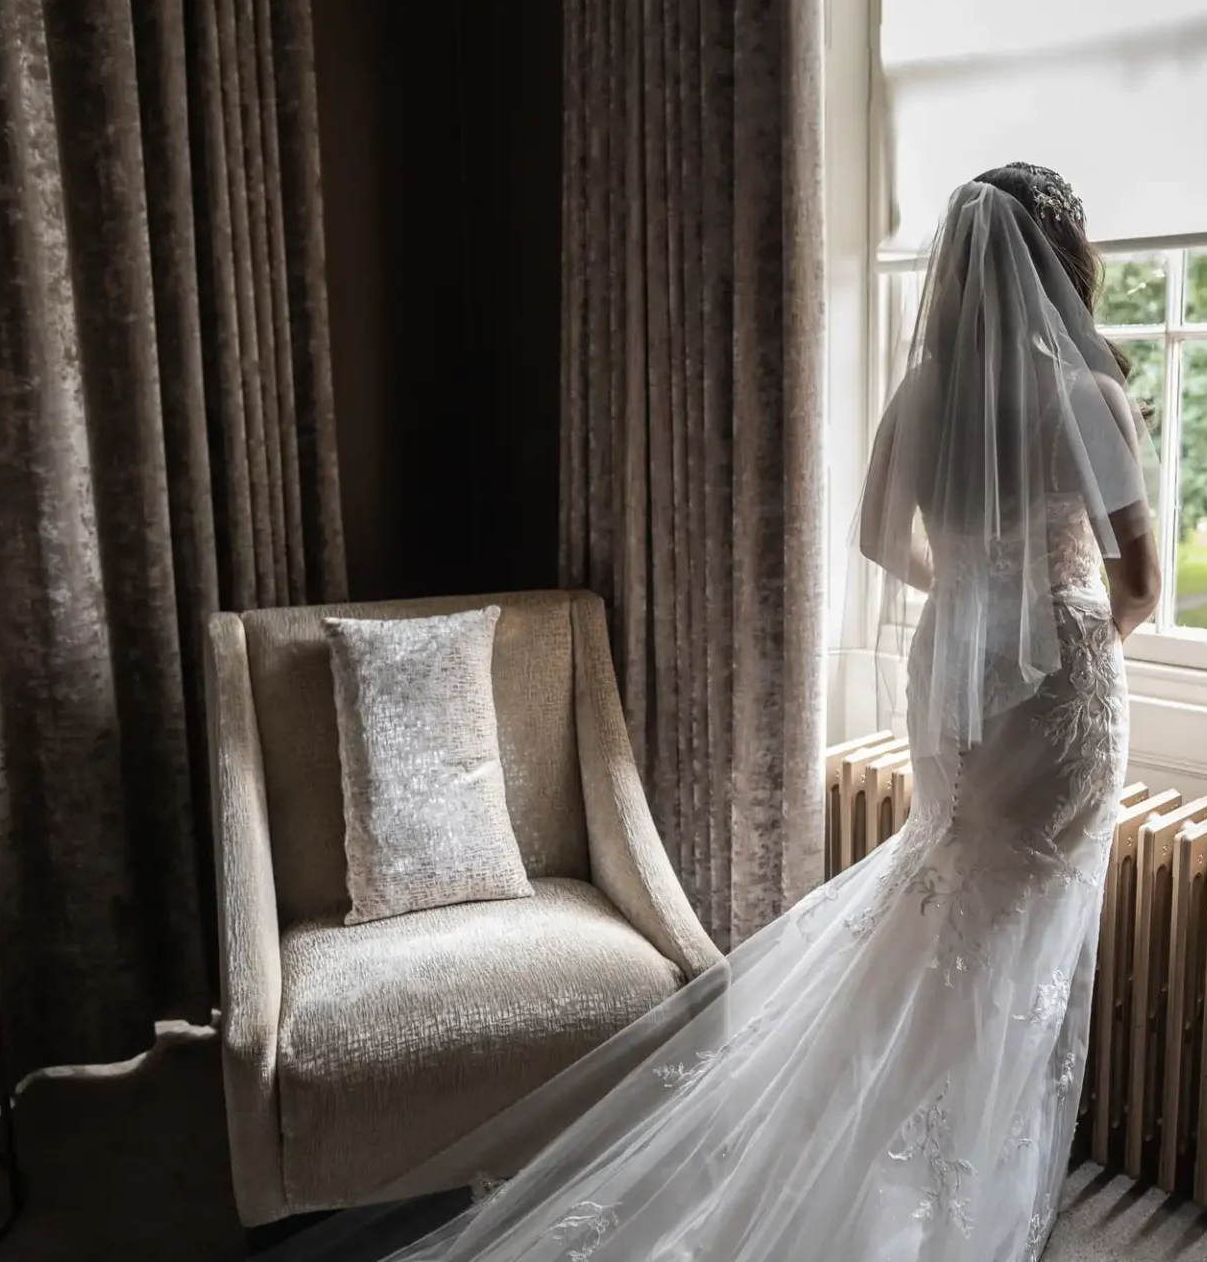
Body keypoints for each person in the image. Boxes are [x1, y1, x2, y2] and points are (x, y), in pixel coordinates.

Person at [371, 164, 1160, 1261]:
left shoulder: (923, 393)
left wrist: (978, 596)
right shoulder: (1093, 395)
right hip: (1063, 698)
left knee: (941, 917)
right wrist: (1051, 631)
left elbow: (884, 544)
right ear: (1066, 269)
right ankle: (948, 1204)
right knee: (1014, 956)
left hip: (956, 693)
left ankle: (889, 1174)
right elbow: (1142, 590)